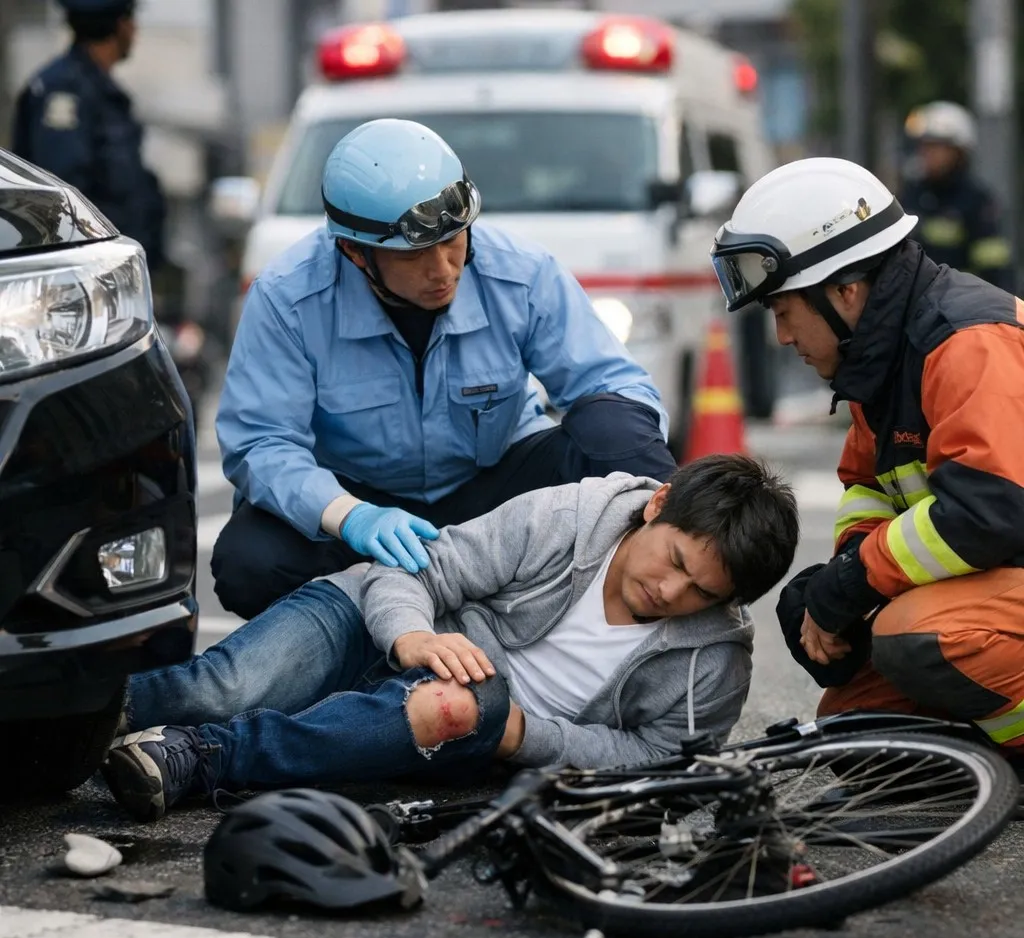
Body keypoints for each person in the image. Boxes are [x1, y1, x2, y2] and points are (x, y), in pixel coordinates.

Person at [99, 455, 799, 822]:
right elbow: (419, 569)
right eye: (675, 561)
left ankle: (201, 757)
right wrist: (410, 636)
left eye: (704, 593)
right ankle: (67, 717)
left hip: (458, 720)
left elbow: (661, 760)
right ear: (656, 507)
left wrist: (528, 736)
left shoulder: (716, 661)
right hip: (376, 623)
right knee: (216, 686)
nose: (674, 594)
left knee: (469, 707)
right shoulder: (569, 516)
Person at [212, 118, 678, 621]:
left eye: (454, 240)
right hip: (363, 502)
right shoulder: (287, 297)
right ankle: (345, 642)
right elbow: (260, 441)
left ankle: (640, 596)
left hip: (497, 489)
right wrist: (349, 516)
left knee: (613, 426)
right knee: (247, 562)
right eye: (415, 254)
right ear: (354, 251)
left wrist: (670, 515)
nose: (443, 269)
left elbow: (616, 385)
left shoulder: (521, 272)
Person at [710, 155, 1024, 753]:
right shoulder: (879, 364)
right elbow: (870, 489)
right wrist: (843, 577)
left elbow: (988, 514)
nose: (781, 336)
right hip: (1002, 585)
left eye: (784, 311)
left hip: (1001, 573)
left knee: (918, 636)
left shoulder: (967, 344)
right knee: (857, 731)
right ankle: (987, 777)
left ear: (846, 290)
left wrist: (856, 580)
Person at [11, 0, 166, 272]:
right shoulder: (63, 90)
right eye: (131, 20)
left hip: (113, 267)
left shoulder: (103, 93)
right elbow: (60, 198)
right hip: (81, 271)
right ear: (120, 26)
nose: (135, 30)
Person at [899, 101, 1013, 292]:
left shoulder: (976, 201)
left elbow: (995, 269)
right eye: (924, 146)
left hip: (961, 306)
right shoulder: (911, 195)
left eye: (935, 147)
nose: (927, 154)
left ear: (958, 152)